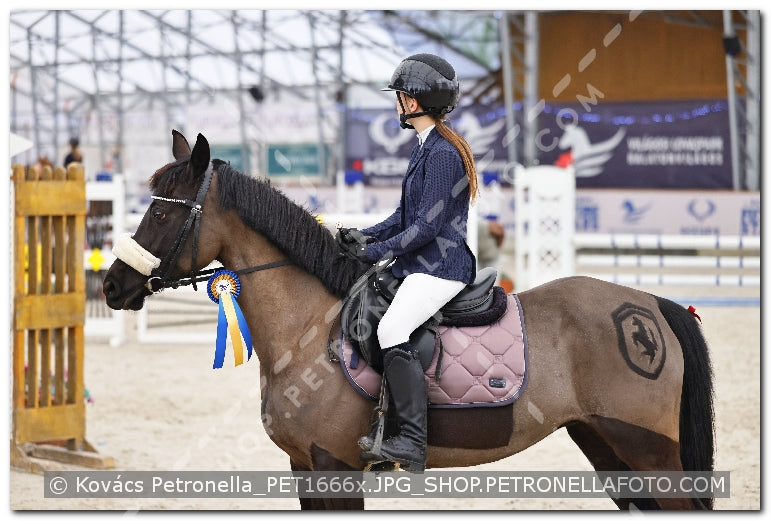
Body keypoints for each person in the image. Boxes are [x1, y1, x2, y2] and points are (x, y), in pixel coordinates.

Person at [337, 53, 478, 472]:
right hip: (423, 262)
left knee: (392, 327)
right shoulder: (426, 147)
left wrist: (375, 252)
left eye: (399, 96)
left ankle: (412, 441)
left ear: (414, 102)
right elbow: (402, 218)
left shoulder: (442, 154)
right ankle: (386, 425)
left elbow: (426, 229)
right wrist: (364, 235)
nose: (396, 102)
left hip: (443, 266)